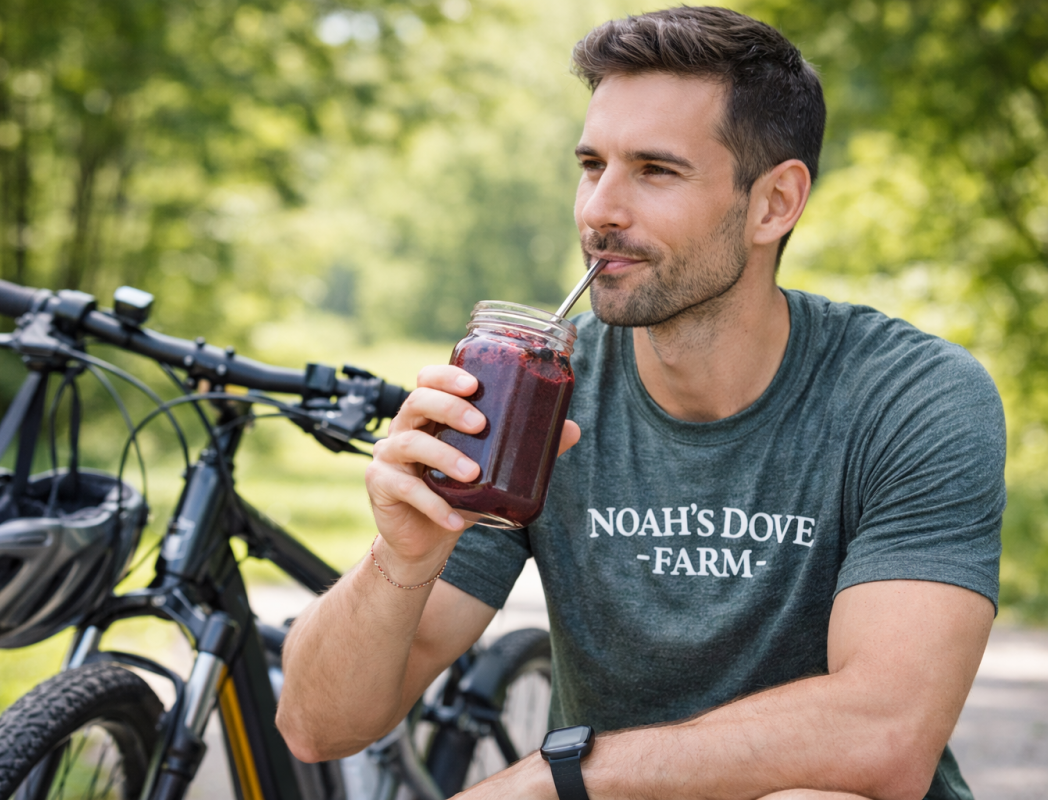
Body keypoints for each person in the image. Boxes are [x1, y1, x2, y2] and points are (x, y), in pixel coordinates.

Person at [275, 7, 1005, 800]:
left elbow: (884, 733)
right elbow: (317, 727)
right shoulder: (539, 392)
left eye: (655, 170)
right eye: (592, 165)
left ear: (774, 203)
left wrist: (557, 778)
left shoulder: (909, 397)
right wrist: (401, 556)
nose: (599, 210)